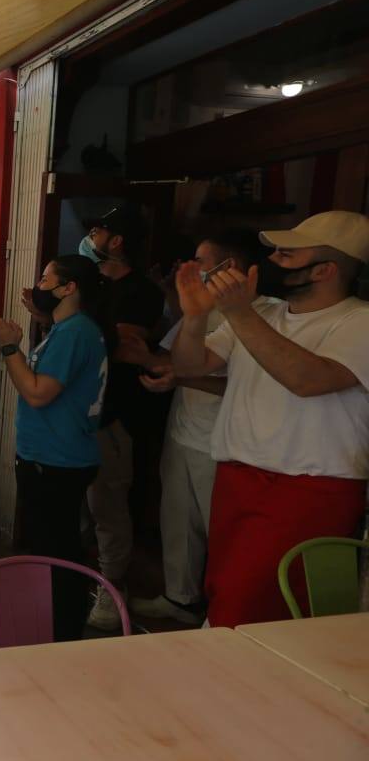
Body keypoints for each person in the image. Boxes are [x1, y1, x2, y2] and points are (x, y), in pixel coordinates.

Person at [171, 211, 369, 628]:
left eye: (287, 254)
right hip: (238, 475)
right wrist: (194, 317)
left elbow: (308, 379)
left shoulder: (358, 321)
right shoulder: (266, 315)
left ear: (326, 270)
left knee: (250, 607)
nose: (272, 261)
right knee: (226, 594)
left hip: (309, 487)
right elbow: (190, 366)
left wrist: (239, 313)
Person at [125, 230, 265, 625]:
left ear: (229, 268)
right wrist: (149, 360)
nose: (192, 268)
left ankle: (221, 611)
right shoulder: (198, 313)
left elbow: (235, 382)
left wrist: (177, 377)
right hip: (183, 428)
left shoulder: (255, 316)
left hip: (220, 440)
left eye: (201, 262)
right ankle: (179, 597)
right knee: (177, 519)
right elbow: (174, 361)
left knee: (217, 530)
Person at [0, 255, 107, 641]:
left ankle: (58, 635)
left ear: (68, 288)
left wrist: (9, 349)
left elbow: (38, 392)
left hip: (58, 460)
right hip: (49, 457)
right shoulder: (65, 329)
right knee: (50, 548)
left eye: (45, 279)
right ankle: (49, 628)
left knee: (56, 554)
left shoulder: (76, 332)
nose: (37, 285)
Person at [72, 207, 164, 630]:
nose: (93, 235)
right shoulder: (96, 287)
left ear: (118, 240)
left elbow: (127, 345)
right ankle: (85, 581)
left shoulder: (142, 291)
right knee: (80, 506)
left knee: (108, 507)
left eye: (100, 229)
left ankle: (112, 591)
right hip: (78, 411)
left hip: (116, 415)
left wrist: (80, 330)